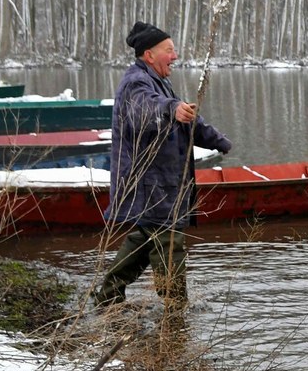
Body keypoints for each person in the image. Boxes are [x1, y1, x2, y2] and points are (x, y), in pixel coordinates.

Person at [92, 21, 232, 313]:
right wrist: (171, 109)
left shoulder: (160, 81)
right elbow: (149, 108)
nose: (176, 55)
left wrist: (217, 140)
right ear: (149, 54)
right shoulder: (136, 83)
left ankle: (108, 296)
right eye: (169, 50)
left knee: (145, 237)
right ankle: (175, 309)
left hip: (161, 182)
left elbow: (184, 116)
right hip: (149, 183)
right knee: (169, 241)